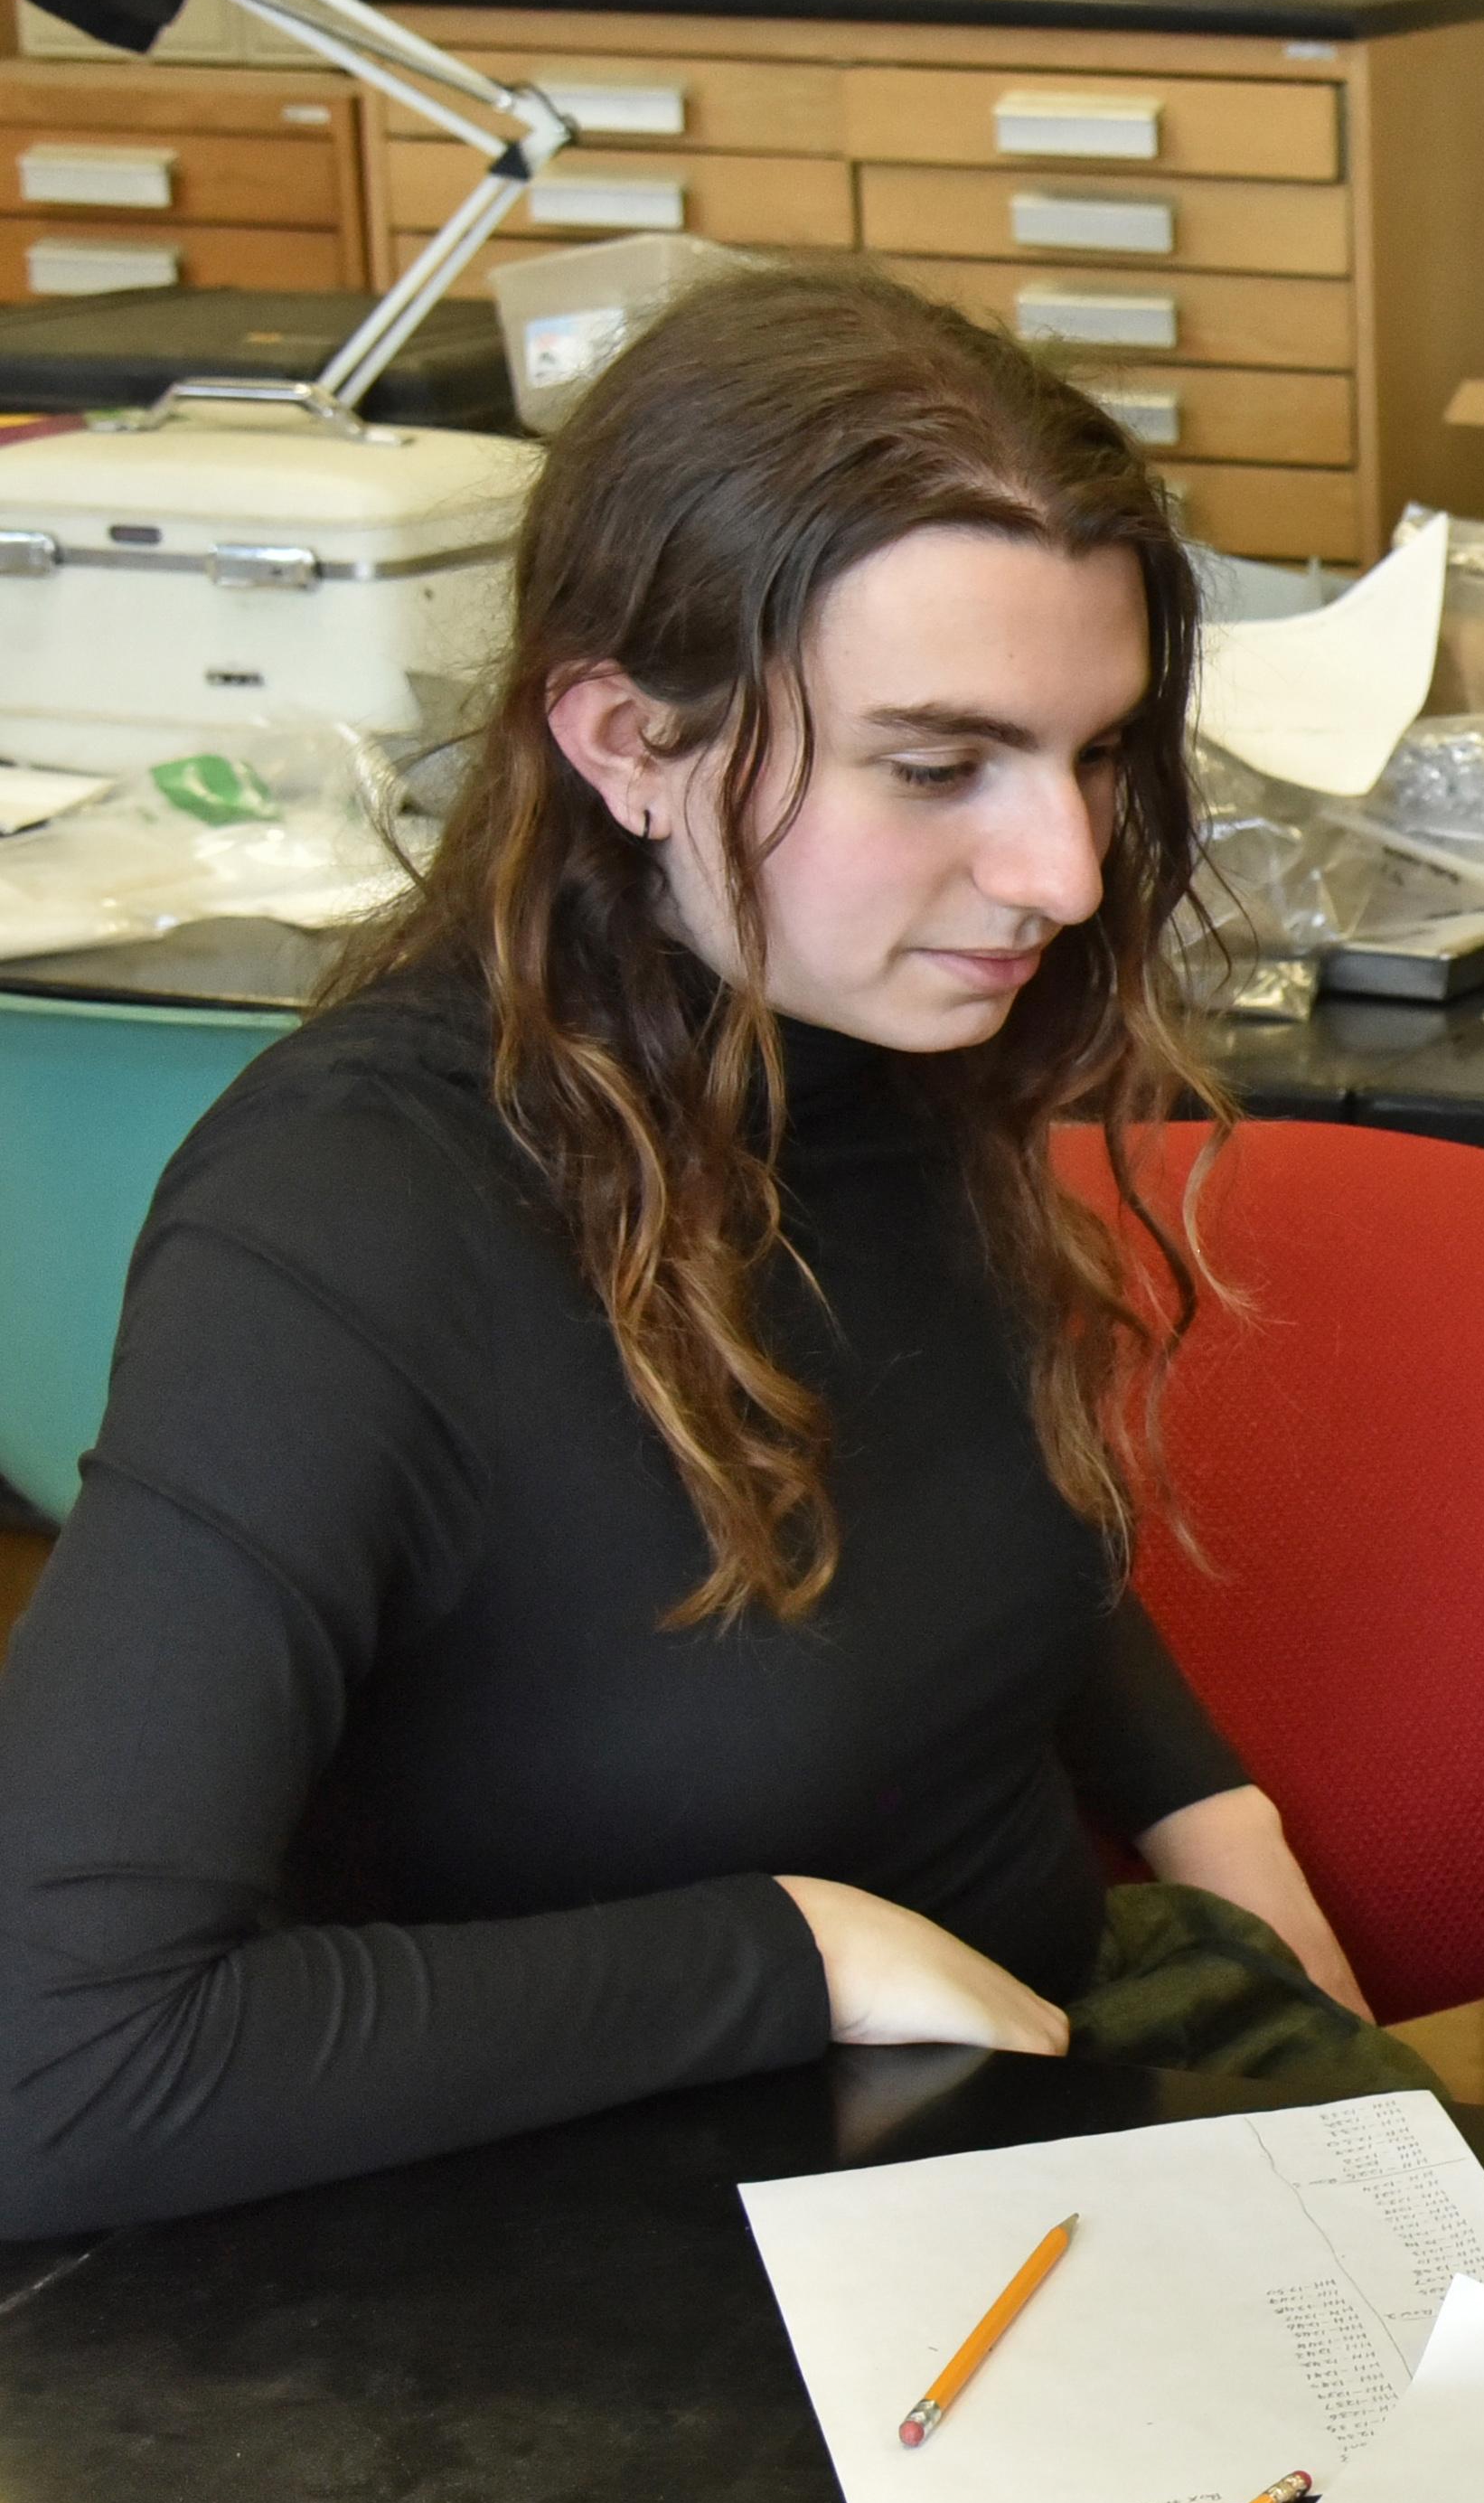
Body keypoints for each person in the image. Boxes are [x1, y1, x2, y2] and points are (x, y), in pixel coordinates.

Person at [0, 266, 1379, 2238]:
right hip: (598, 2308)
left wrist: (1200, 1802)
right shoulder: (348, 1231)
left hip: (1017, 2174)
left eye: (1093, 753)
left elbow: (925, 1487)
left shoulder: (863, 1021)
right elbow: (54, 2067)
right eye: (938, 767)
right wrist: (792, 1954)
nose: (1063, 874)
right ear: (629, 740)